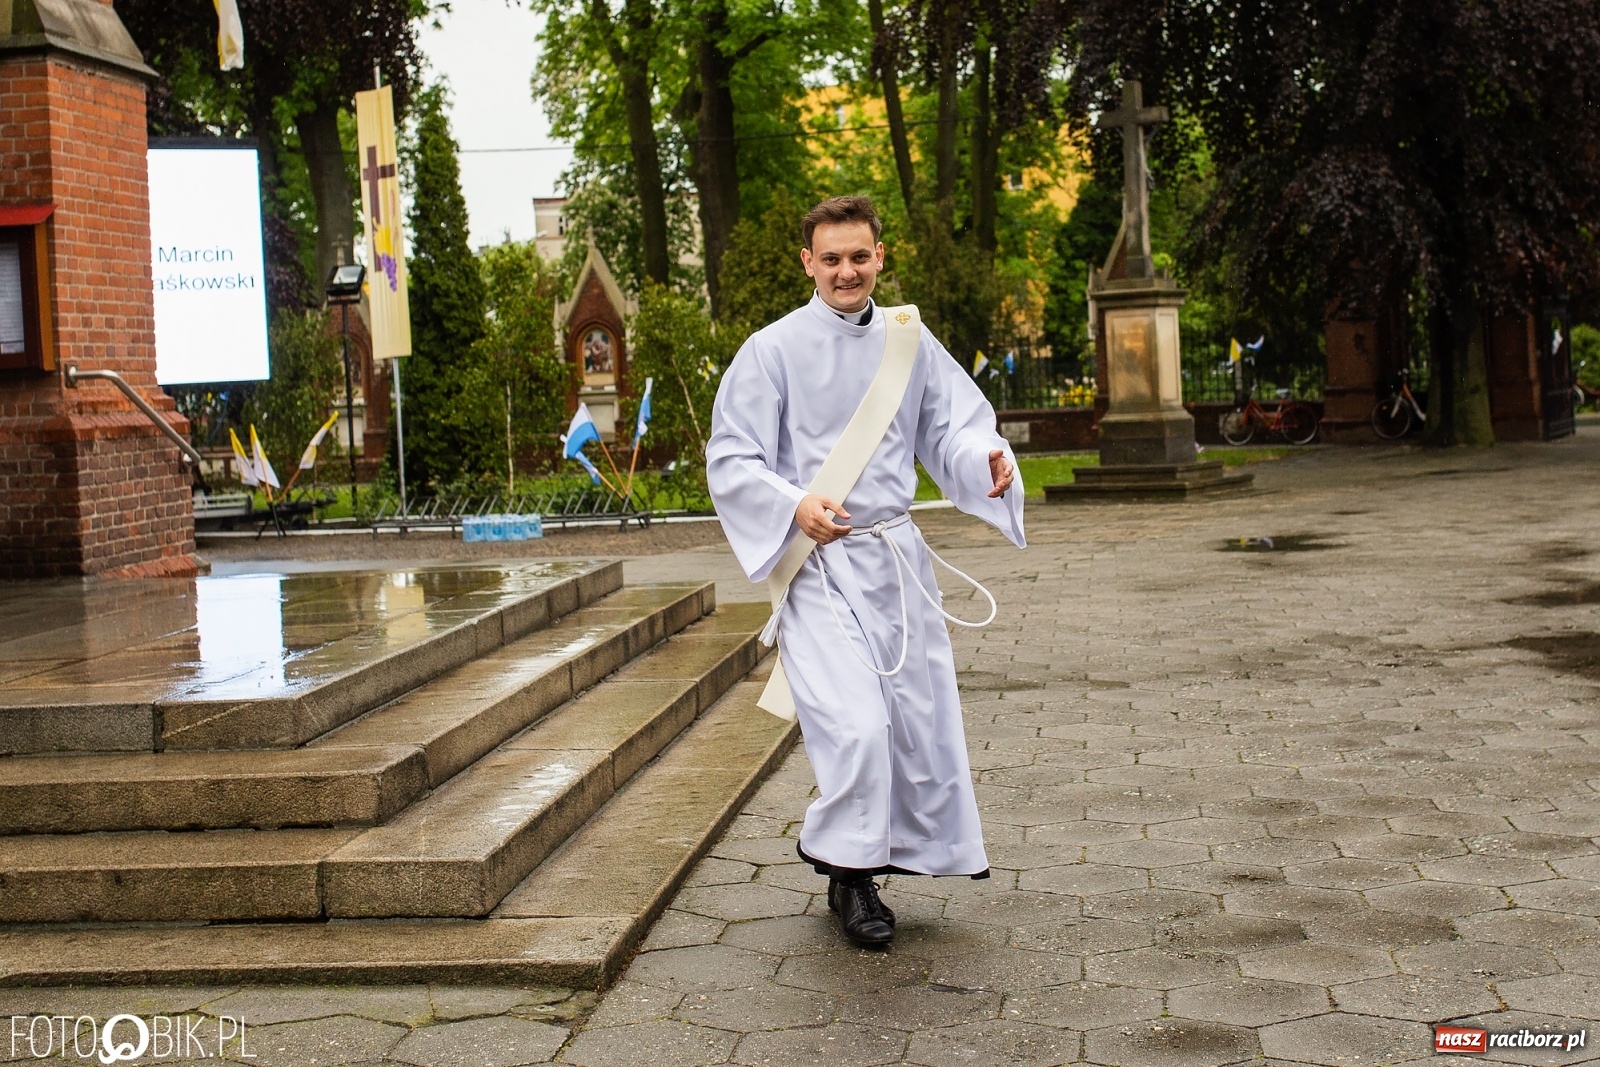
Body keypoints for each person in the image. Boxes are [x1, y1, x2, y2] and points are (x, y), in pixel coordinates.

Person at [706, 195, 1025, 947]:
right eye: (832, 257)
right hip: (817, 565)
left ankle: (879, 863)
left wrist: (988, 462)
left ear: (882, 256)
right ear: (807, 261)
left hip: (896, 565)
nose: (846, 270)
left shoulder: (909, 342)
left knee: (913, 726)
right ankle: (847, 874)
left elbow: (953, 426)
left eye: (860, 256)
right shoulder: (772, 350)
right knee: (857, 725)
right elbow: (731, 455)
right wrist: (793, 505)